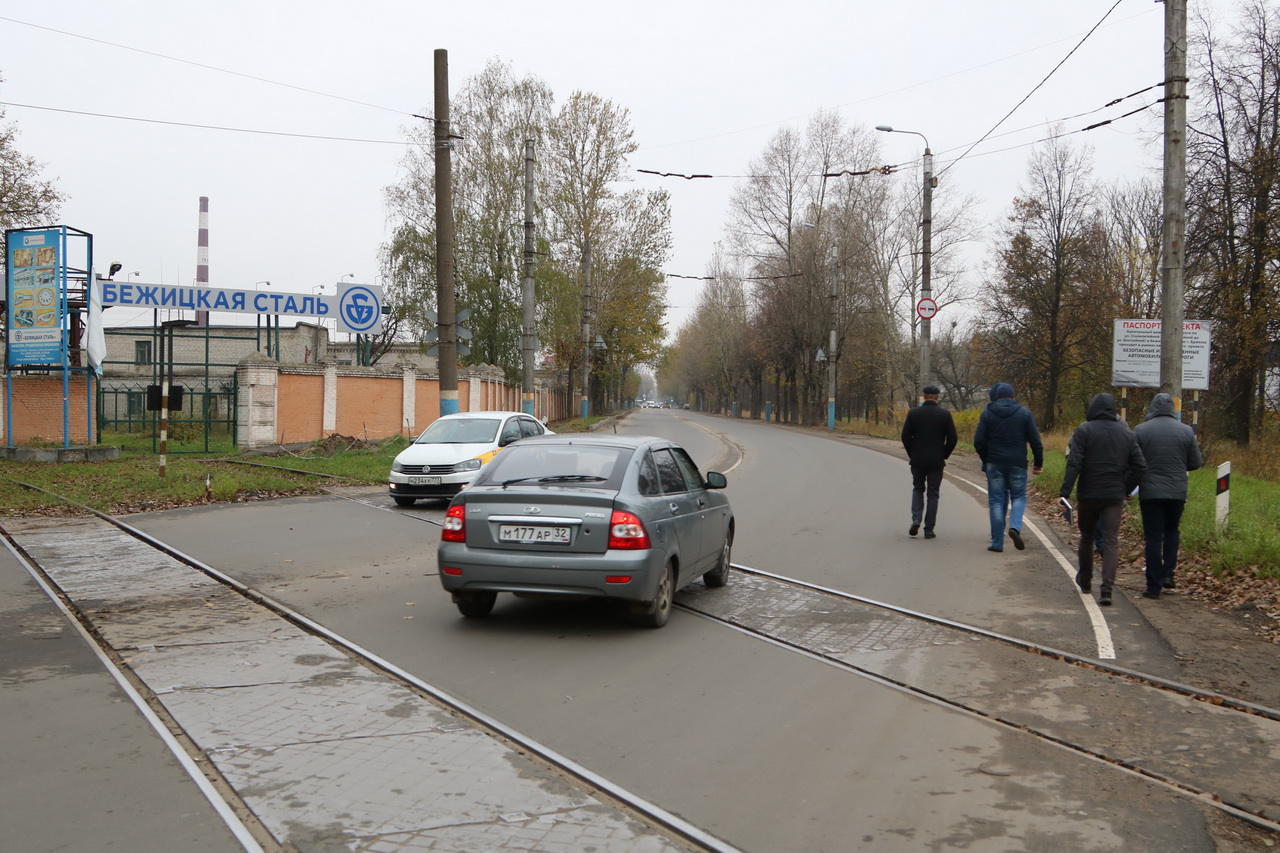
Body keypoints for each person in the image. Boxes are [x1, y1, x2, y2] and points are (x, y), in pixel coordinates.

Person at [1059, 393, 1146, 606]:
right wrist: (1126, 489)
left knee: (1087, 537)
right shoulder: (1127, 433)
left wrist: (1065, 492)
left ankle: (1086, 581)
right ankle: (1107, 590)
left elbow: (1074, 463)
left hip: (1089, 493)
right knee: (1111, 541)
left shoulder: (1084, 430)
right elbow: (1140, 465)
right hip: (1114, 495)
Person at [1133, 393, 1203, 599]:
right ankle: (1169, 574)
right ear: (1173, 408)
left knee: (1153, 536)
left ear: (1152, 407)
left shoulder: (1140, 430)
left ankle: (1153, 586)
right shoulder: (1186, 431)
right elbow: (1196, 463)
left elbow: (1135, 461)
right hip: (1176, 492)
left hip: (1151, 492)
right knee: (1172, 530)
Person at [974, 383, 1044, 552]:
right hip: (1018, 463)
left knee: (996, 501)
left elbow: (978, 441)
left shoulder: (988, 412)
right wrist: (1038, 464)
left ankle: (997, 543)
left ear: (997, 397)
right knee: (1019, 497)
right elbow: (1036, 442)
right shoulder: (1024, 413)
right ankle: (1015, 527)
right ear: (1013, 397)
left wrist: (986, 459)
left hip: (995, 463)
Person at [901, 385, 958, 540]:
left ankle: (916, 519)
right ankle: (929, 529)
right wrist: (944, 454)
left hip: (918, 460)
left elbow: (905, 436)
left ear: (924, 396)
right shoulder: (945, 414)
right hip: (936, 461)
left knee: (918, 488)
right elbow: (953, 438)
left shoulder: (914, 413)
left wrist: (912, 453)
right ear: (937, 397)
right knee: (933, 493)